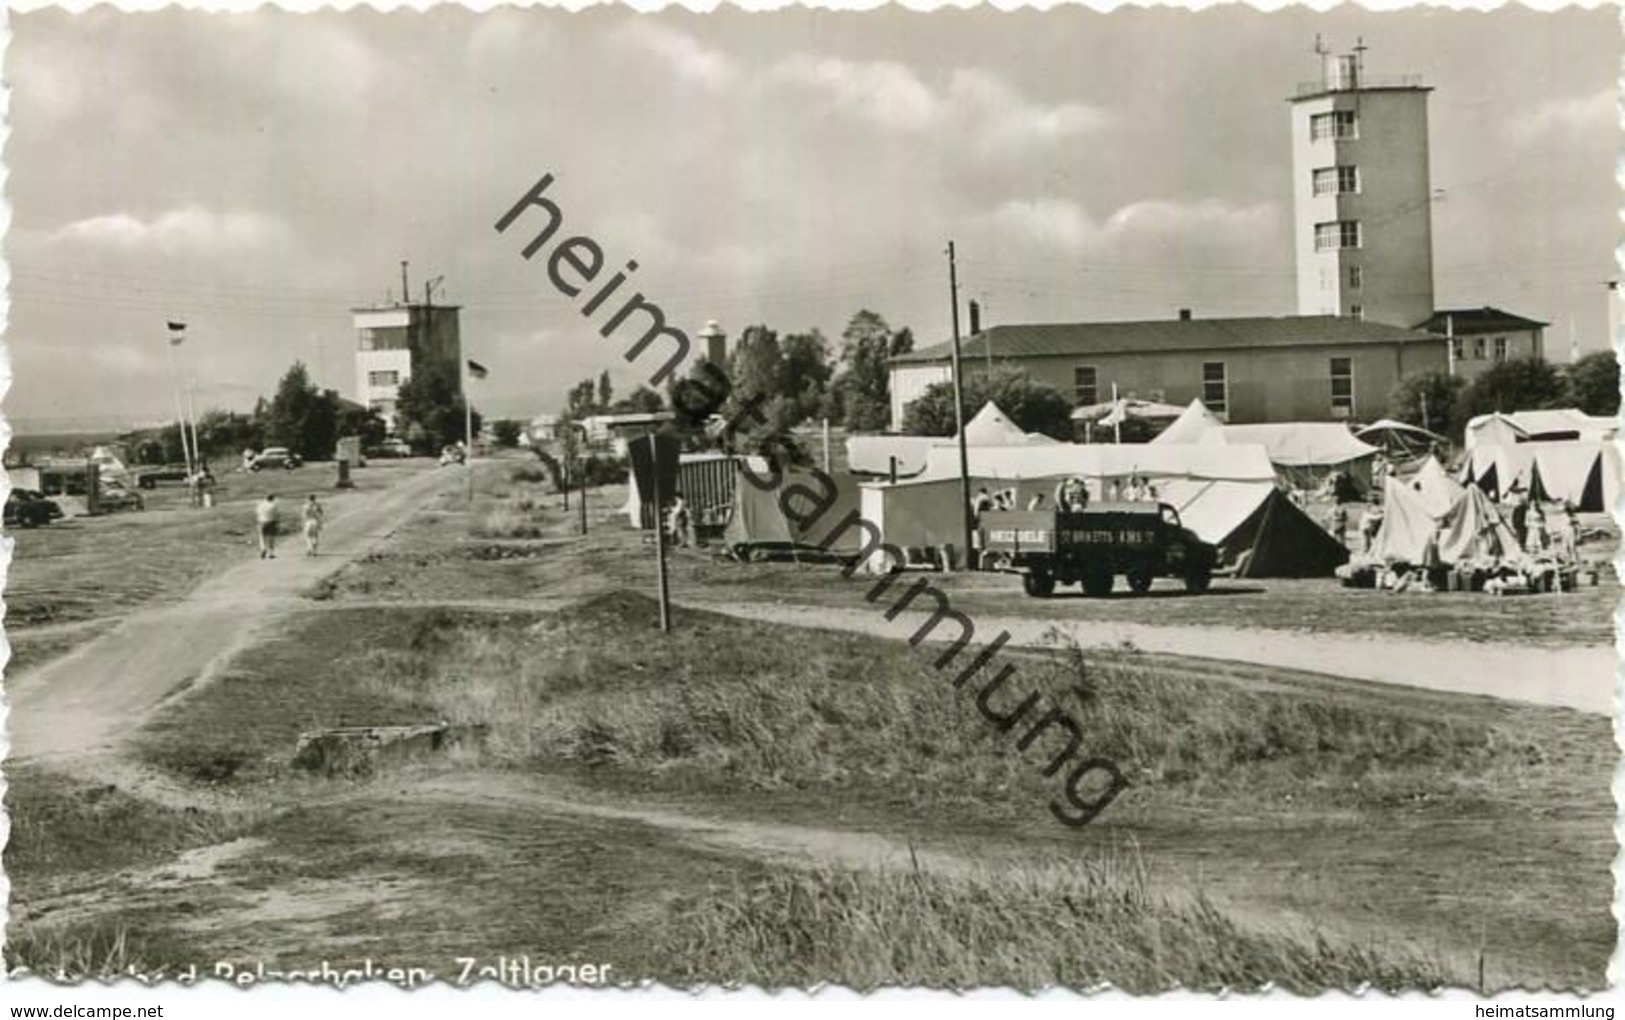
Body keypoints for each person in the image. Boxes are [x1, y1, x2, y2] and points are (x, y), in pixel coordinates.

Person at [255, 493, 280, 559]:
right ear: (272, 498)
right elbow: (277, 514)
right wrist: (277, 522)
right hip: (272, 522)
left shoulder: (261, 505)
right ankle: (271, 553)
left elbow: (257, 512)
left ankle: (263, 548)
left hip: (262, 522)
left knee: (262, 537)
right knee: (271, 538)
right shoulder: (274, 505)